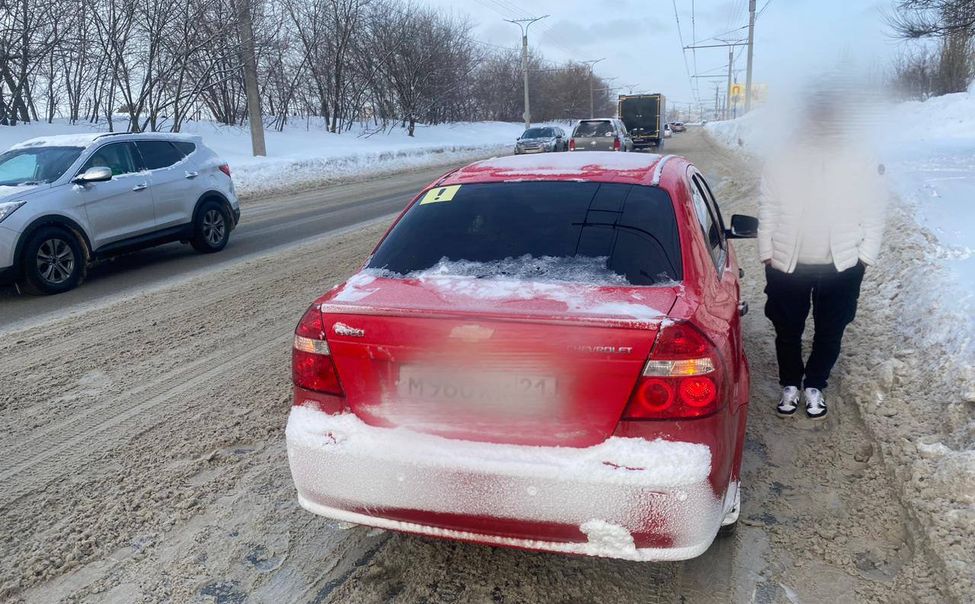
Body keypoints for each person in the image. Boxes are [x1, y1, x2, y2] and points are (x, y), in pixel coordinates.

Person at [758, 105, 886, 420]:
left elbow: (873, 209)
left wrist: (865, 256)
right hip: (788, 263)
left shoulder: (858, 160)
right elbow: (769, 205)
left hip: (841, 265)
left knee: (831, 329)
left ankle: (815, 384)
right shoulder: (782, 159)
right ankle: (790, 383)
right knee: (787, 329)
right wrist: (766, 250)